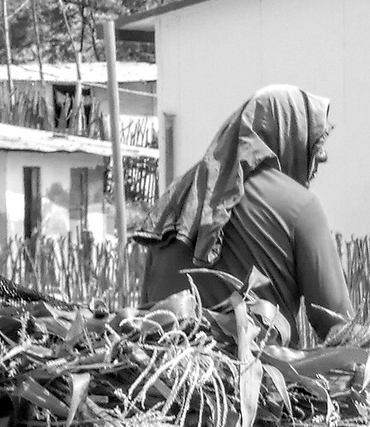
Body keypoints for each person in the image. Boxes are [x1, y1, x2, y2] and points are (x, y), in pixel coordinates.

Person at [138, 84, 354, 341]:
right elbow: (338, 328)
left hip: (160, 370)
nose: (323, 156)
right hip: (256, 374)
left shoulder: (175, 199)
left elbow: (147, 310)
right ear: (289, 135)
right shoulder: (302, 207)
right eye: (315, 142)